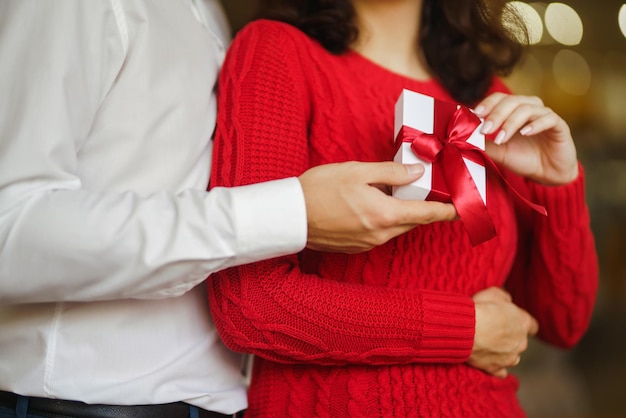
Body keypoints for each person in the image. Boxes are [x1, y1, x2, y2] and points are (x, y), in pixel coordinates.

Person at [0, 1, 461, 417]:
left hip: (220, 401)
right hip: (79, 404)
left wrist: (534, 173)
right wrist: (288, 213)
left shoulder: (209, 16)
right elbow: (10, 226)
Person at [207, 0, 599, 416]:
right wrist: (467, 329)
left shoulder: (487, 100)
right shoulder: (277, 51)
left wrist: (559, 182)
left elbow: (563, 323)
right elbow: (250, 305)